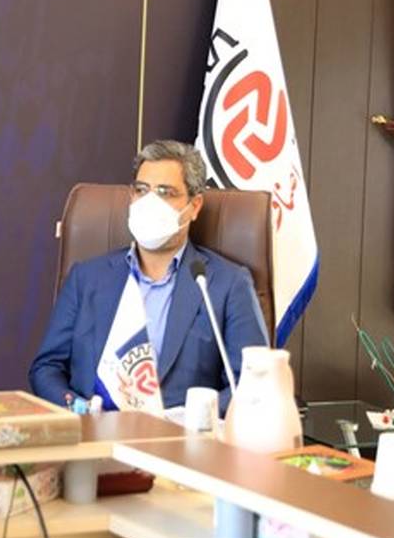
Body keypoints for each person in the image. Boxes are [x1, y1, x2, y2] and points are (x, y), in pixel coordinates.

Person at [29, 140, 267, 413]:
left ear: (195, 206)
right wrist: (78, 409)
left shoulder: (227, 284)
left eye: (165, 192)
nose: (150, 202)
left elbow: (251, 385)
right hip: (92, 432)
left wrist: (189, 418)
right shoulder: (86, 278)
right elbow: (46, 369)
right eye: (142, 190)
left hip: (179, 437)